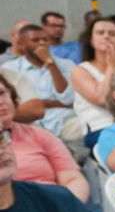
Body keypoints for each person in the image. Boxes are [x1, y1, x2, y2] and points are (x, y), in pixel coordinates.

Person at [0, 72, 88, 200]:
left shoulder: (38, 135)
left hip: (56, 207)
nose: (1, 102)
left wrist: (64, 209)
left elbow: (74, 179)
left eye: (2, 93)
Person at [1, 23, 84, 147]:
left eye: (45, 40)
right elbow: (17, 105)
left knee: (84, 128)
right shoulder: (9, 69)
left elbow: (68, 99)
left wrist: (51, 64)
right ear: (22, 46)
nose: (42, 43)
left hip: (65, 121)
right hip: (29, 126)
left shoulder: (66, 65)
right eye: (35, 40)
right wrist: (48, 103)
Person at [69, 16, 115, 147]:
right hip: (101, 129)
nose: (106, 37)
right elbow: (101, 99)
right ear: (91, 40)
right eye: (100, 33)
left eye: (112, 34)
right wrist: (111, 66)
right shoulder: (80, 70)